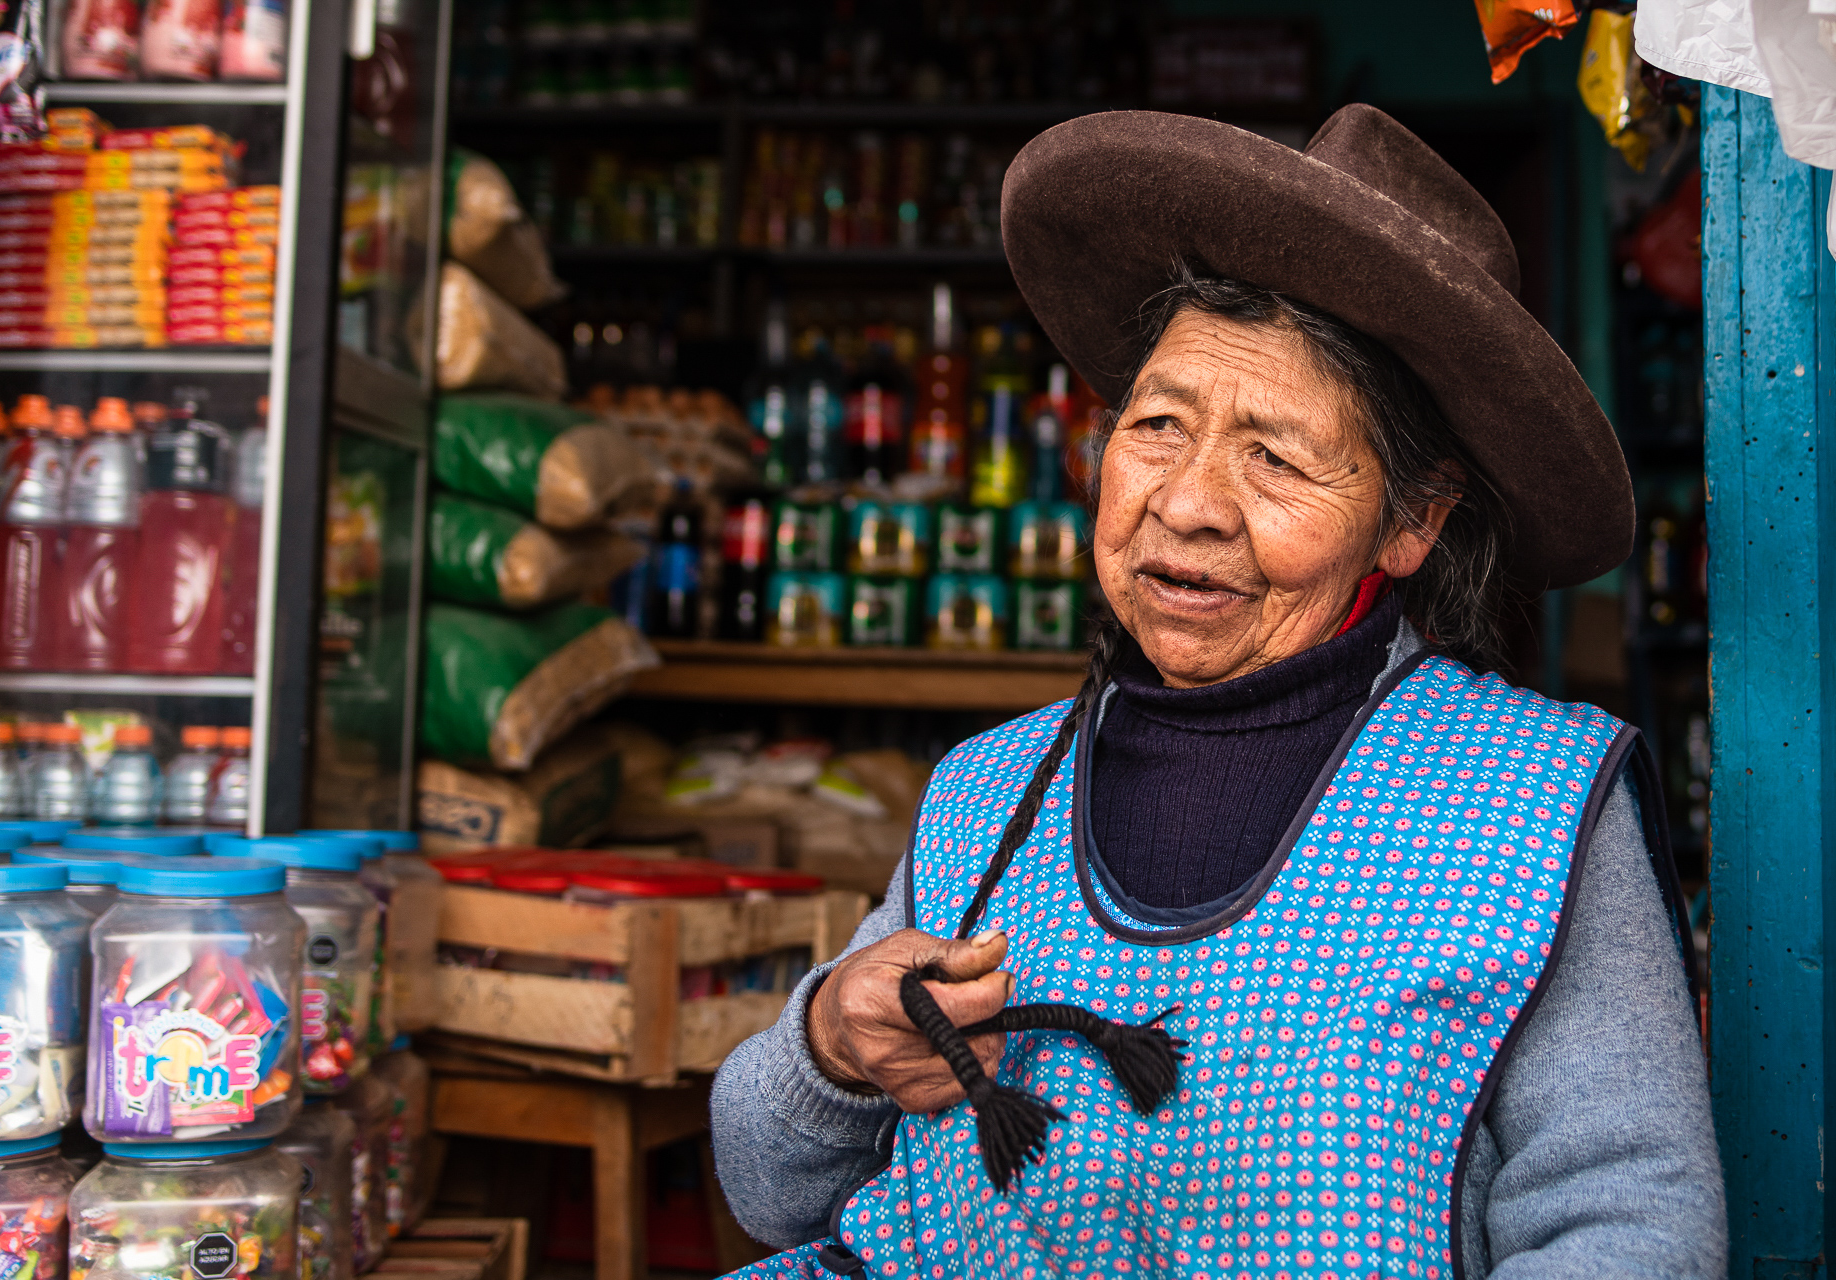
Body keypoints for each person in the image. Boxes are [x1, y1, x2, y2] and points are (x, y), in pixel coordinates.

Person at [710, 105, 1727, 1280]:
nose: (1187, 503)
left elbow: (1631, 1223)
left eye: (1276, 457)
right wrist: (835, 1042)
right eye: (1157, 425)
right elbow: (766, 1188)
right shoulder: (986, 795)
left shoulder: (1531, 800)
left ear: (1411, 522)